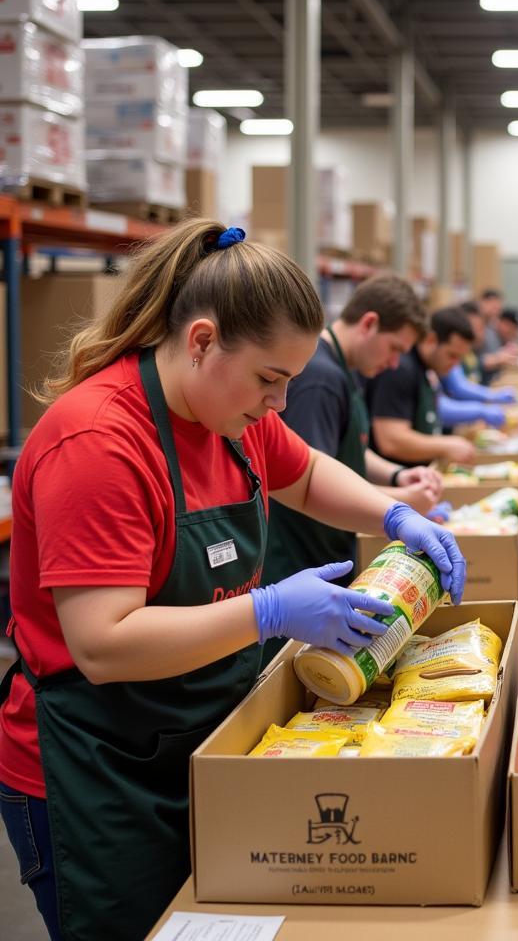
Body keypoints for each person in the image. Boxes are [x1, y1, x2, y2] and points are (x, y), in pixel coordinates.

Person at [0, 221, 466, 941]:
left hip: (195, 733)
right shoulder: (99, 440)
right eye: (269, 381)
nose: (278, 405)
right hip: (94, 766)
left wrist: (396, 513)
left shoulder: (230, 414)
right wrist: (270, 611)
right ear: (201, 341)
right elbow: (103, 643)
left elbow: (306, 474)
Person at [262, 274, 444, 662]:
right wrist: (397, 503)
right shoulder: (320, 380)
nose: (395, 363)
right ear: (369, 323)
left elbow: (348, 453)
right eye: (394, 348)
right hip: (300, 560)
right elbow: (309, 473)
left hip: (330, 549)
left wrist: (396, 477)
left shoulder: (346, 371)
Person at [366, 306, 480, 467]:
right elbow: (391, 440)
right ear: (431, 340)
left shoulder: (427, 368)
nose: (455, 365)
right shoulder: (400, 369)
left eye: (459, 359)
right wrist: (446, 445)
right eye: (451, 355)